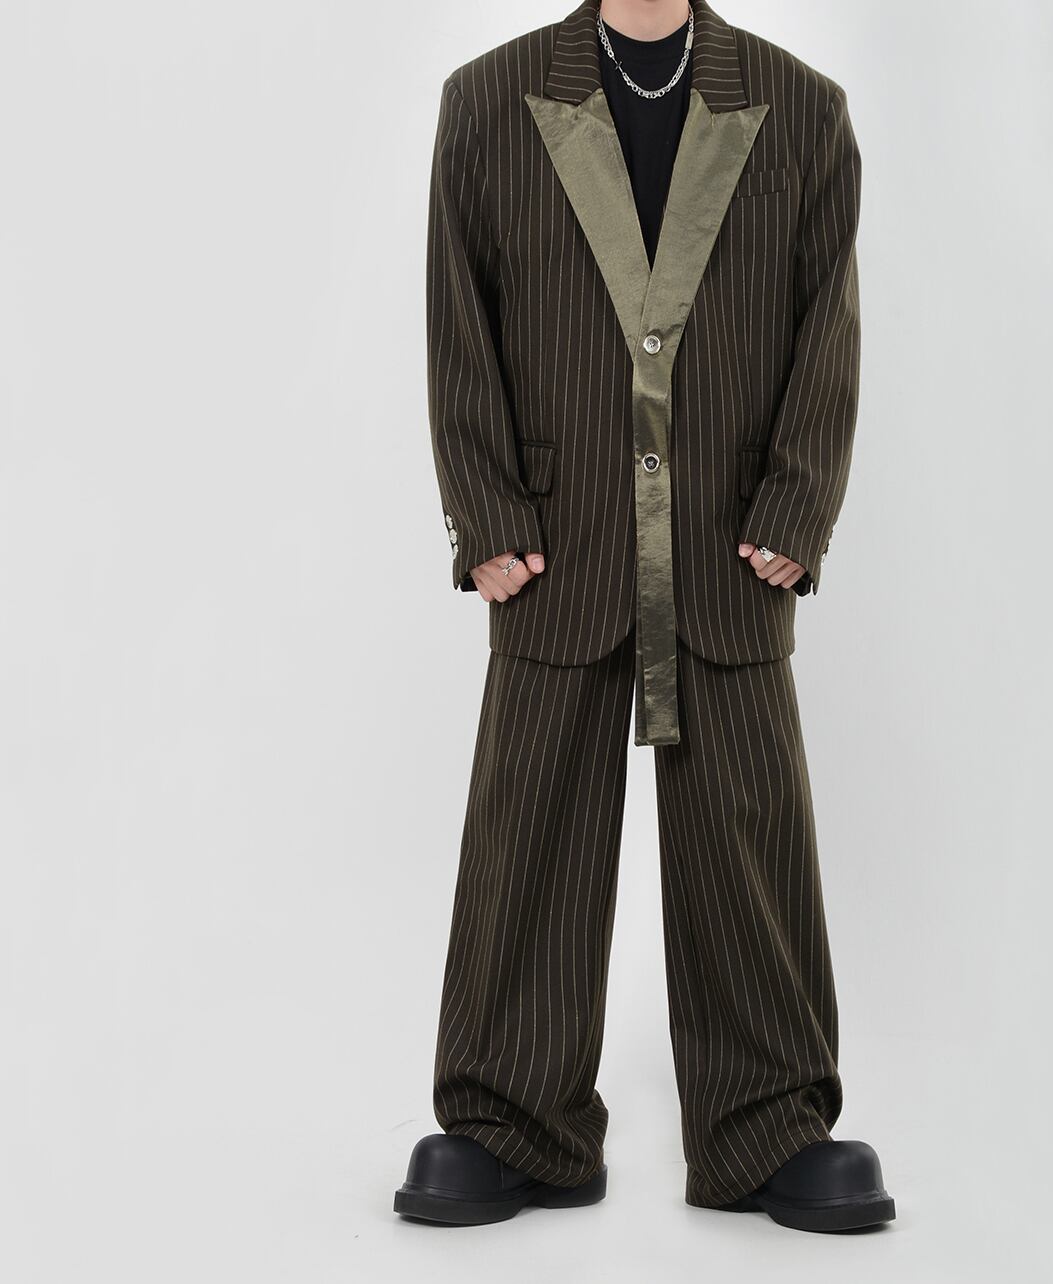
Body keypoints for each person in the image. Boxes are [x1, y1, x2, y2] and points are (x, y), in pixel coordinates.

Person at [393, 0, 895, 1233]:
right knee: (529, 830)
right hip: (553, 542)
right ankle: (511, 1117)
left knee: (747, 834)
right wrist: (485, 509)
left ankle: (769, 1120)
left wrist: (798, 499)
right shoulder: (489, 104)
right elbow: (460, 322)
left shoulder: (802, 111)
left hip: (731, 541)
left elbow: (826, 326)